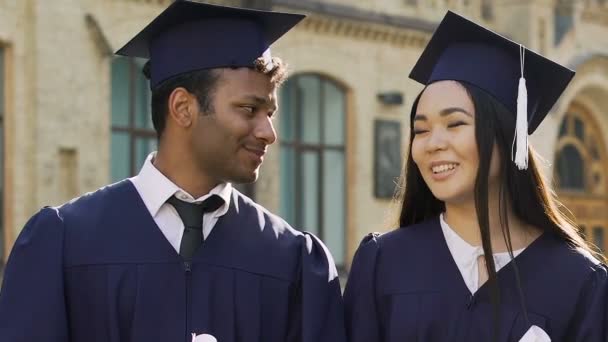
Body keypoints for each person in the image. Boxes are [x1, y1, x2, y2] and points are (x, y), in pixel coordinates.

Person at [0, 1, 346, 341]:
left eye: (269, 112)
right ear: (182, 108)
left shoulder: (291, 259)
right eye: (249, 109)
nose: (268, 132)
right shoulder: (66, 243)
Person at [344, 11, 608, 342]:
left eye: (454, 124)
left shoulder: (576, 280)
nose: (434, 144)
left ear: (508, 138)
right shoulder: (384, 264)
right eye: (420, 130)